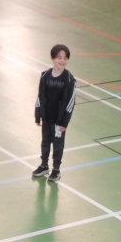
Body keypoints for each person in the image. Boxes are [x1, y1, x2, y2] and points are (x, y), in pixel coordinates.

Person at [32, 44, 77, 182]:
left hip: (59, 120)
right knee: (45, 141)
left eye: (65, 58)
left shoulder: (69, 79)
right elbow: (40, 96)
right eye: (59, 57)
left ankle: (56, 169)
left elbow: (71, 102)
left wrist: (64, 122)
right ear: (52, 58)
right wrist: (38, 115)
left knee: (58, 145)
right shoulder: (45, 75)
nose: (62, 61)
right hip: (47, 117)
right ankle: (44, 165)